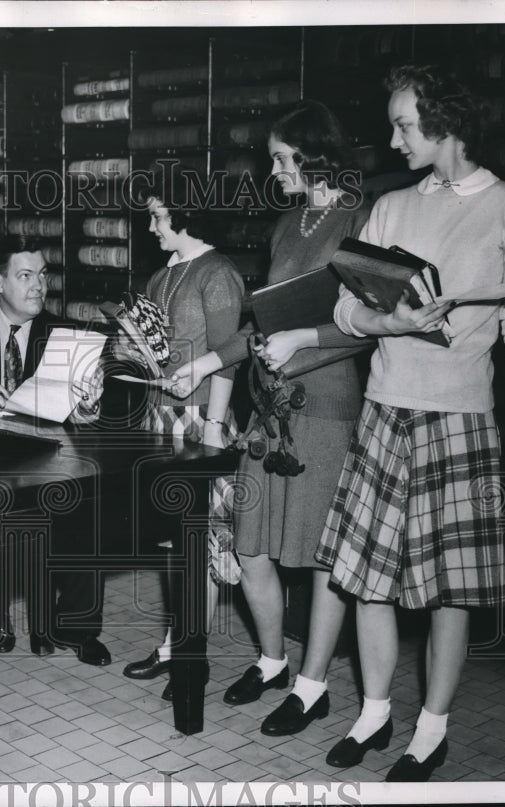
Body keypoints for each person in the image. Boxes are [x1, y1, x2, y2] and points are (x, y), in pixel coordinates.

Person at [315, 64, 505, 782]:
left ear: (445, 124)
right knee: (367, 580)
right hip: (386, 411)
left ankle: (432, 728)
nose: (392, 141)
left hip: (461, 423)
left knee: (452, 587)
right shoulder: (389, 207)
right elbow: (343, 309)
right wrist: (388, 318)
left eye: (404, 125)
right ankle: (374, 710)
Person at [166, 101, 372, 732]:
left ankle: (312, 687)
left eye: (282, 158)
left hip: (328, 411)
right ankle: (274, 660)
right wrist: (205, 366)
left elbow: (373, 326)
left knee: (315, 559)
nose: (274, 168)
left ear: (313, 156)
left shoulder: (359, 219)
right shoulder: (289, 224)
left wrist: (304, 340)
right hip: (270, 410)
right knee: (252, 544)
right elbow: (260, 323)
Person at [0, 234, 111, 666]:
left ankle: (76, 625)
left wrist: (89, 403)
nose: (39, 286)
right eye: (26, 276)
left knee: (88, 507)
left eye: (43, 275)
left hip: (49, 459)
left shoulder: (65, 335)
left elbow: (86, 420)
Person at [120, 178, 245, 701]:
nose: (151, 227)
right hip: (161, 419)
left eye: (158, 216)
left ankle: (189, 653)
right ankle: (177, 645)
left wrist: (214, 429)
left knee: (207, 540)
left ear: (186, 215)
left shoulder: (218, 273)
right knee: (174, 539)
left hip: (201, 422)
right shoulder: (159, 275)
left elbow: (231, 353)